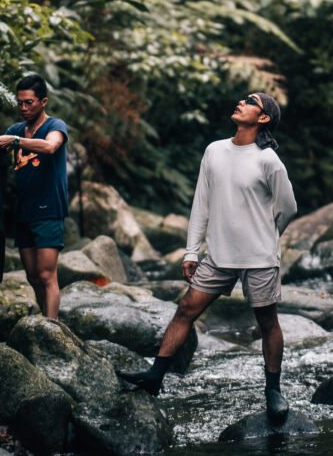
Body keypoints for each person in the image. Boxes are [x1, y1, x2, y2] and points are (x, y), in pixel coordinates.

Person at [118, 93, 297, 421]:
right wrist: (191, 250)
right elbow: (201, 203)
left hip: (259, 258)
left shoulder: (268, 160)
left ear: (264, 118)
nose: (242, 101)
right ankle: (154, 376)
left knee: (267, 322)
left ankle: (273, 390)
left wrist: (267, 236)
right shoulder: (214, 150)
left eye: (251, 101)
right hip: (218, 255)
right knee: (186, 309)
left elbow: (288, 207)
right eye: (243, 98)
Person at [0, 74, 69, 319]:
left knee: (46, 274)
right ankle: (46, 320)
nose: (23, 108)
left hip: (49, 208)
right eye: (19, 102)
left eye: (28, 102)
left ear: (43, 102)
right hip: (24, 209)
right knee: (32, 276)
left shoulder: (55, 126)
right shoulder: (16, 130)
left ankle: (52, 328)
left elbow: (51, 146)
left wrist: (17, 141)